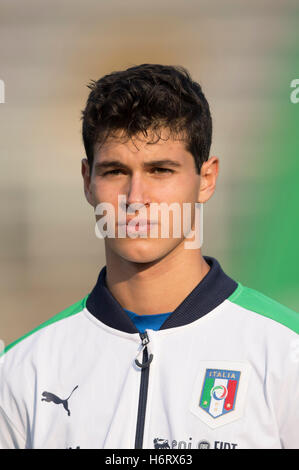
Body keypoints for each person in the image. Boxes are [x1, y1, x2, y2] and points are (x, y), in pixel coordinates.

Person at [0, 64, 298, 450]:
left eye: (160, 169)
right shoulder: (24, 368)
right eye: (115, 171)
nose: (136, 198)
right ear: (87, 181)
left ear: (206, 179)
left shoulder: (286, 353)